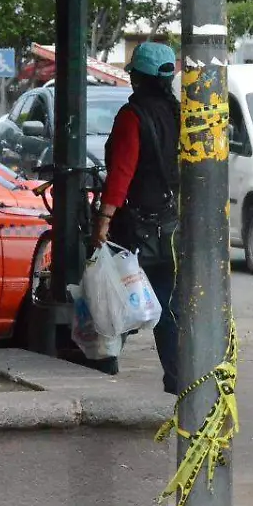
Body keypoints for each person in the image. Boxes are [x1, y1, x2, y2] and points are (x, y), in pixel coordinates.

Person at [94, 42, 181, 395]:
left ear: (139, 79)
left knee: (117, 297)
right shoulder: (180, 115)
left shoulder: (132, 116)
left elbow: (121, 173)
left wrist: (103, 218)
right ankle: (177, 379)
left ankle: (103, 367)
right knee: (168, 305)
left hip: (135, 227)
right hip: (171, 226)